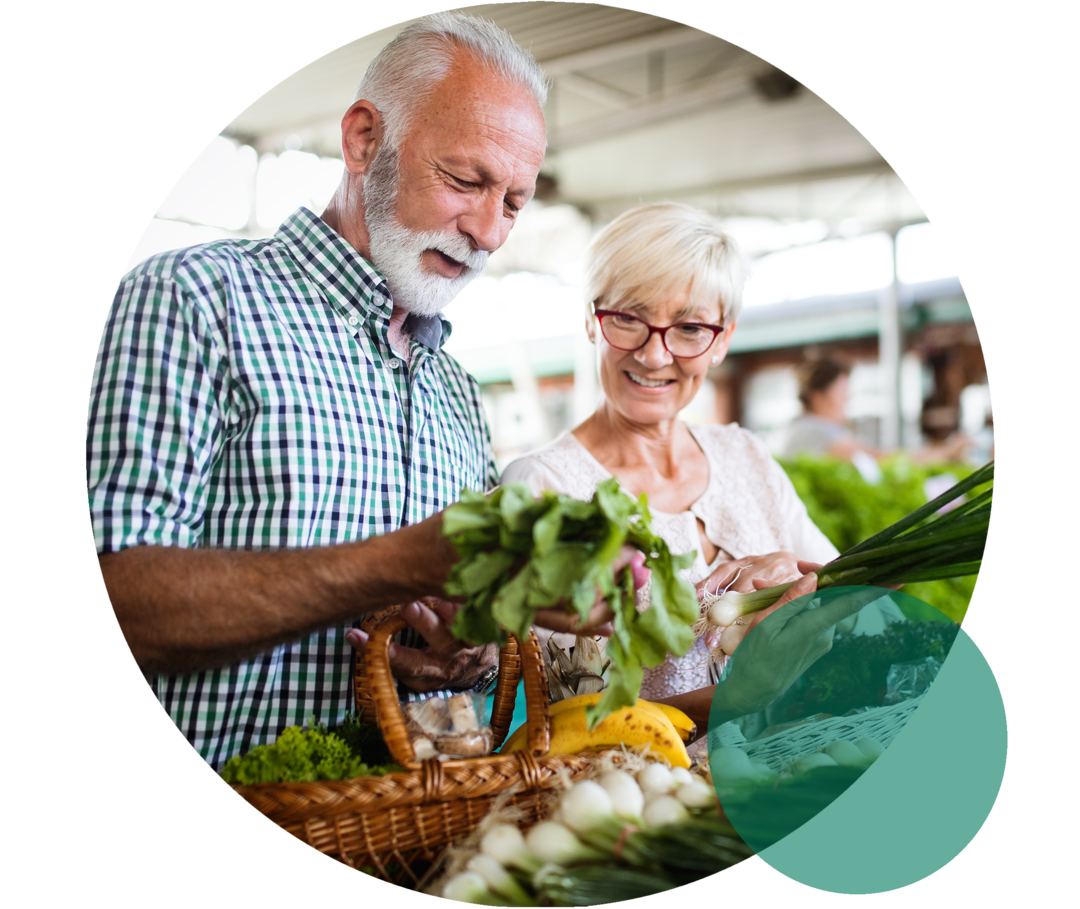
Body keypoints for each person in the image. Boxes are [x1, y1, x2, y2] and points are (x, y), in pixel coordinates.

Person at [87, 13, 616, 773]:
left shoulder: (457, 391)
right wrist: (400, 563)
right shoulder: (195, 300)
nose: (491, 233)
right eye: (466, 181)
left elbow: (457, 654)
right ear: (364, 139)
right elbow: (121, 594)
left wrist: (462, 654)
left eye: (514, 202)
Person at [500, 202, 840, 741]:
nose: (656, 356)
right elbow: (575, 716)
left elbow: (847, 602)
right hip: (640, 804)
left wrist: (799, 583)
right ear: (592, 321)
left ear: (722, 339)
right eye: (630, 319)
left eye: (688, 328)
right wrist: (743, 697)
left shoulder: (745, 457)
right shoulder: (543, 488)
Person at [785, 356, 970, 475]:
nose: (847, 399)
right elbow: (880, 458)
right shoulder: (809, 432)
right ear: (818, 397)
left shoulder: (814, 429)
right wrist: (945, 451)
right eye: (841, 392)